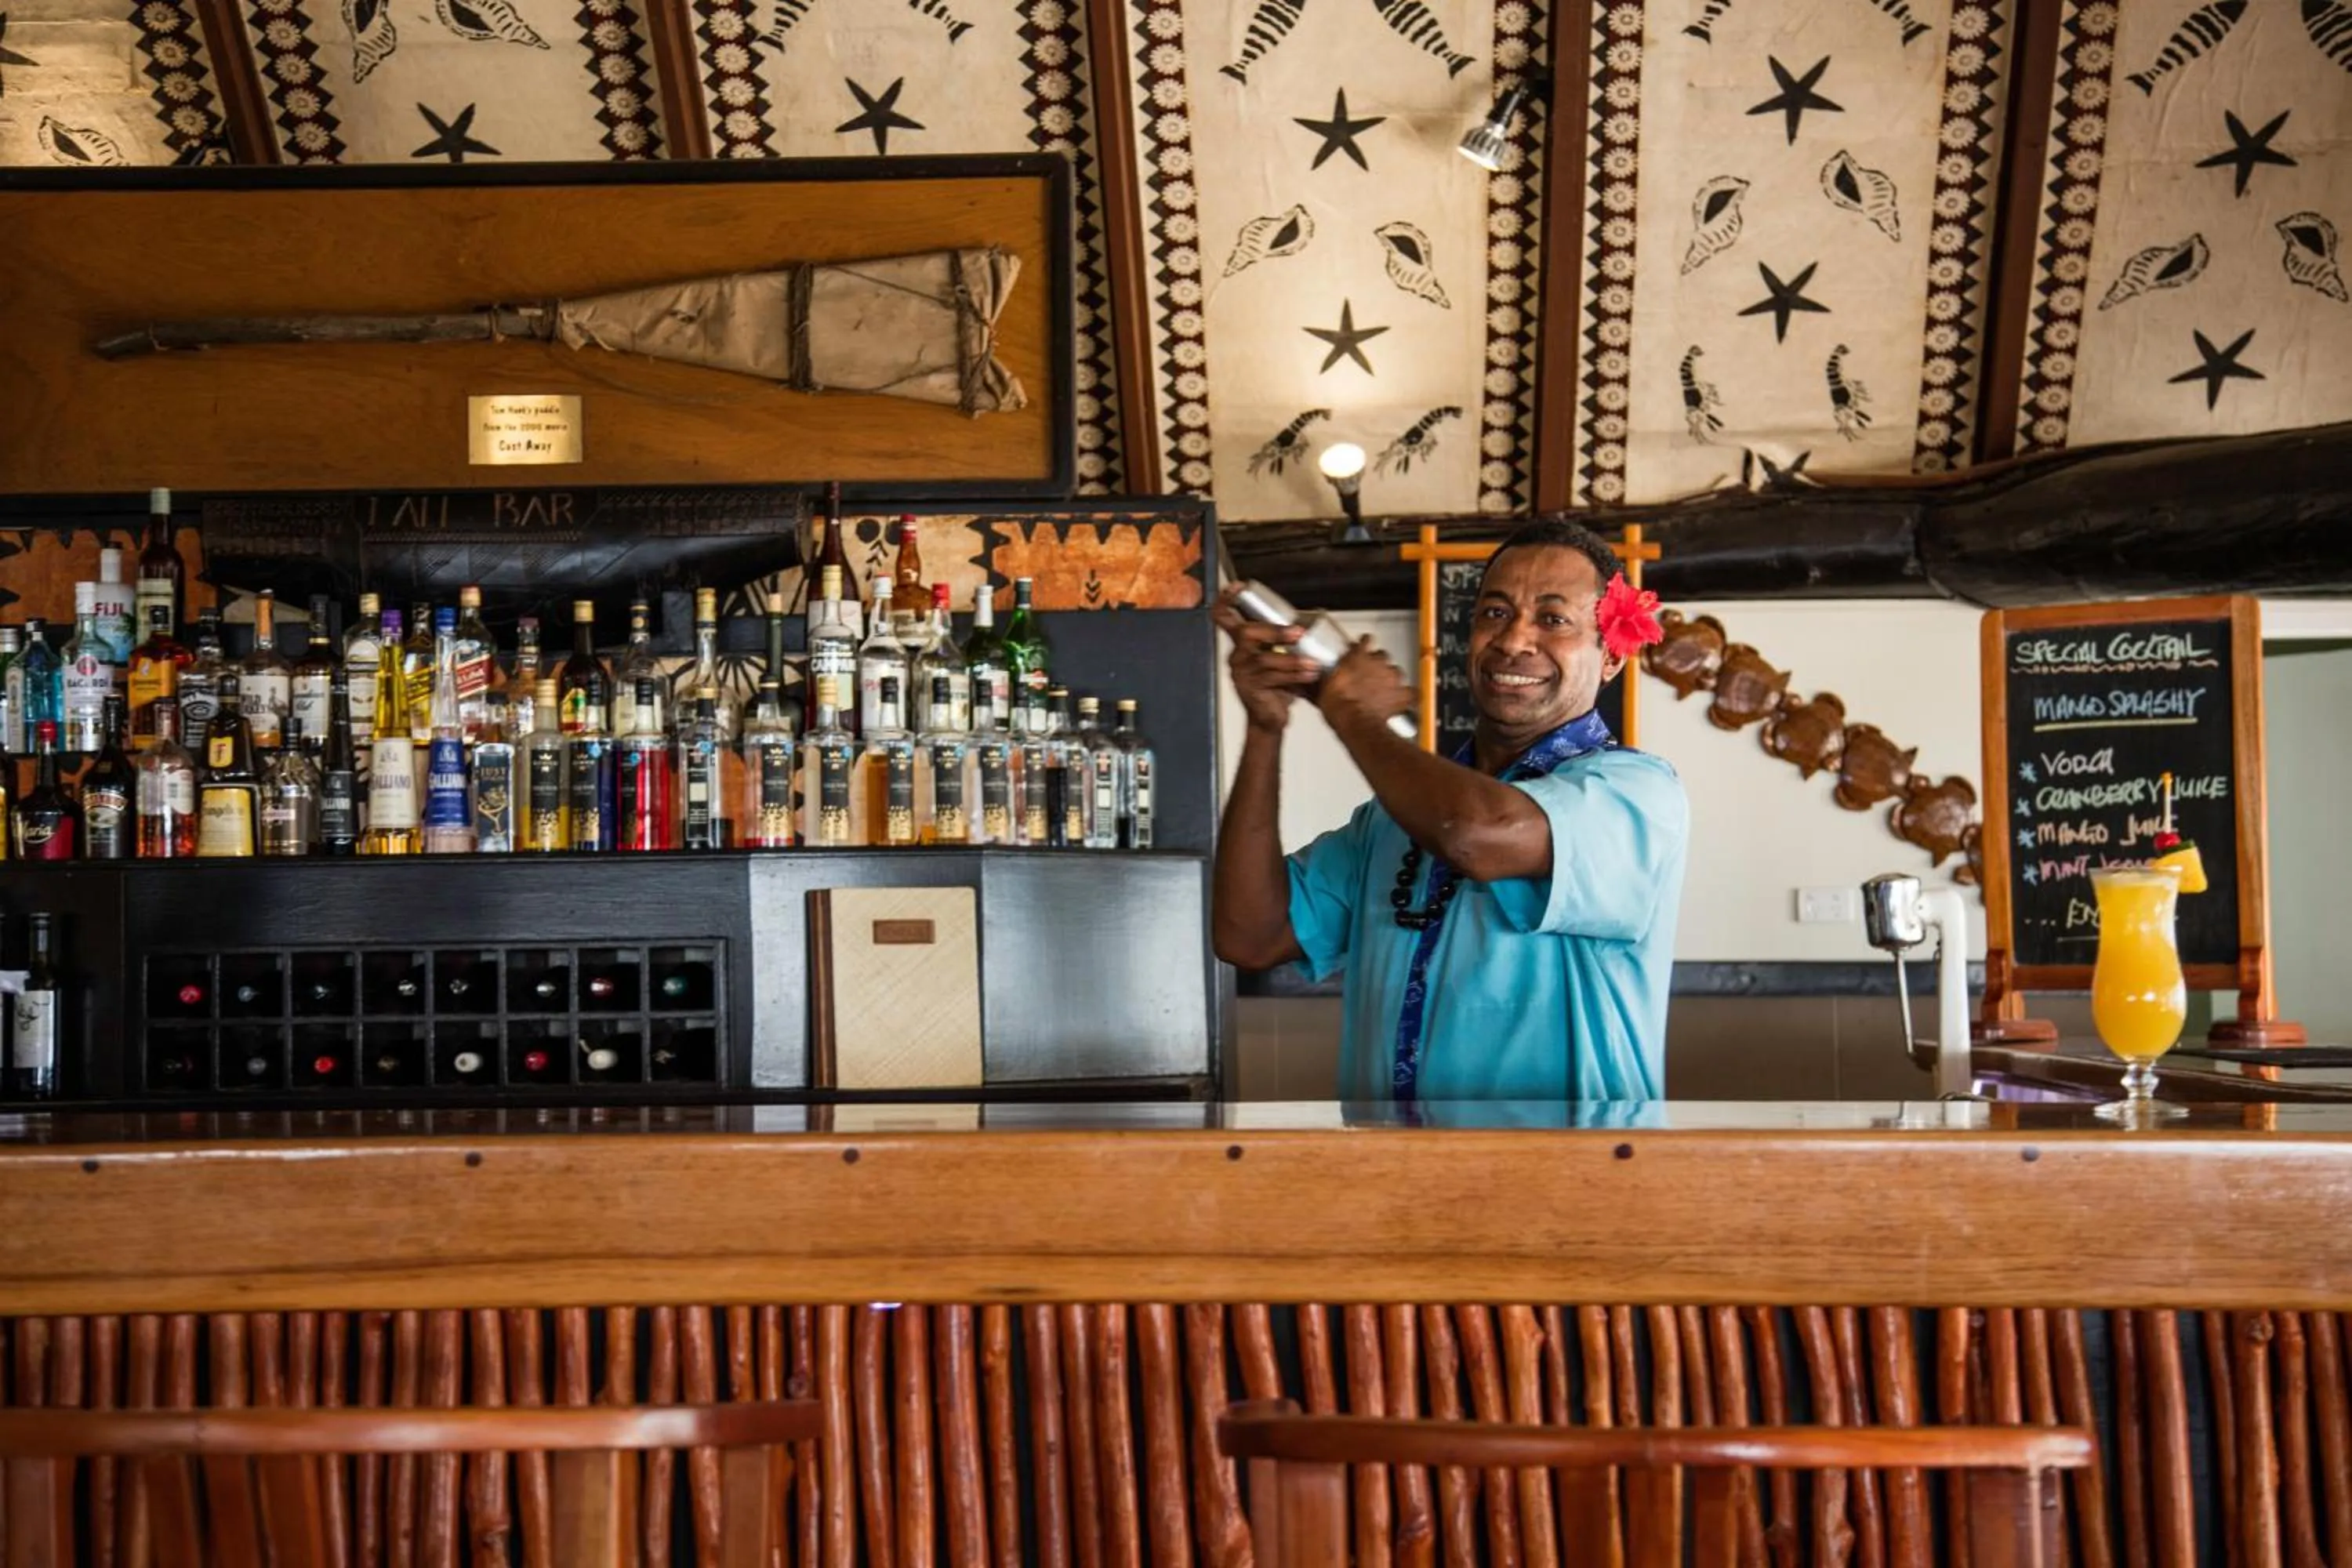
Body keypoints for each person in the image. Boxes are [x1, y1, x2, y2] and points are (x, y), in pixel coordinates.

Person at [1212, 518, 1687, 1102]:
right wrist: (1266, 728)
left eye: (1553, 619)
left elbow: (1478, 834)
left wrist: (1351, 712)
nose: (1513, 640)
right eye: (1494, 613)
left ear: (1611, 656)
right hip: (1398, 1180)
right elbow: (1249, 937)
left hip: (1569, 1181)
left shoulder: (1634, 793)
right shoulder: (1392, 821)